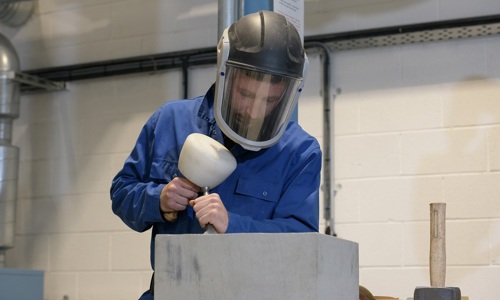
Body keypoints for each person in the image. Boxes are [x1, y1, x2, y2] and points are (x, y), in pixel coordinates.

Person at [110, 10, 322, 300]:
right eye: (246, 94)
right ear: (225, 75)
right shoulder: (170, 121)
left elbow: (301, 240)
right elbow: (122, 192)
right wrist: (158, 200)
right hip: (171, 292)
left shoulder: (299, 152)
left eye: (270, 100)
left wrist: (232, 225)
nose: (255, 110)